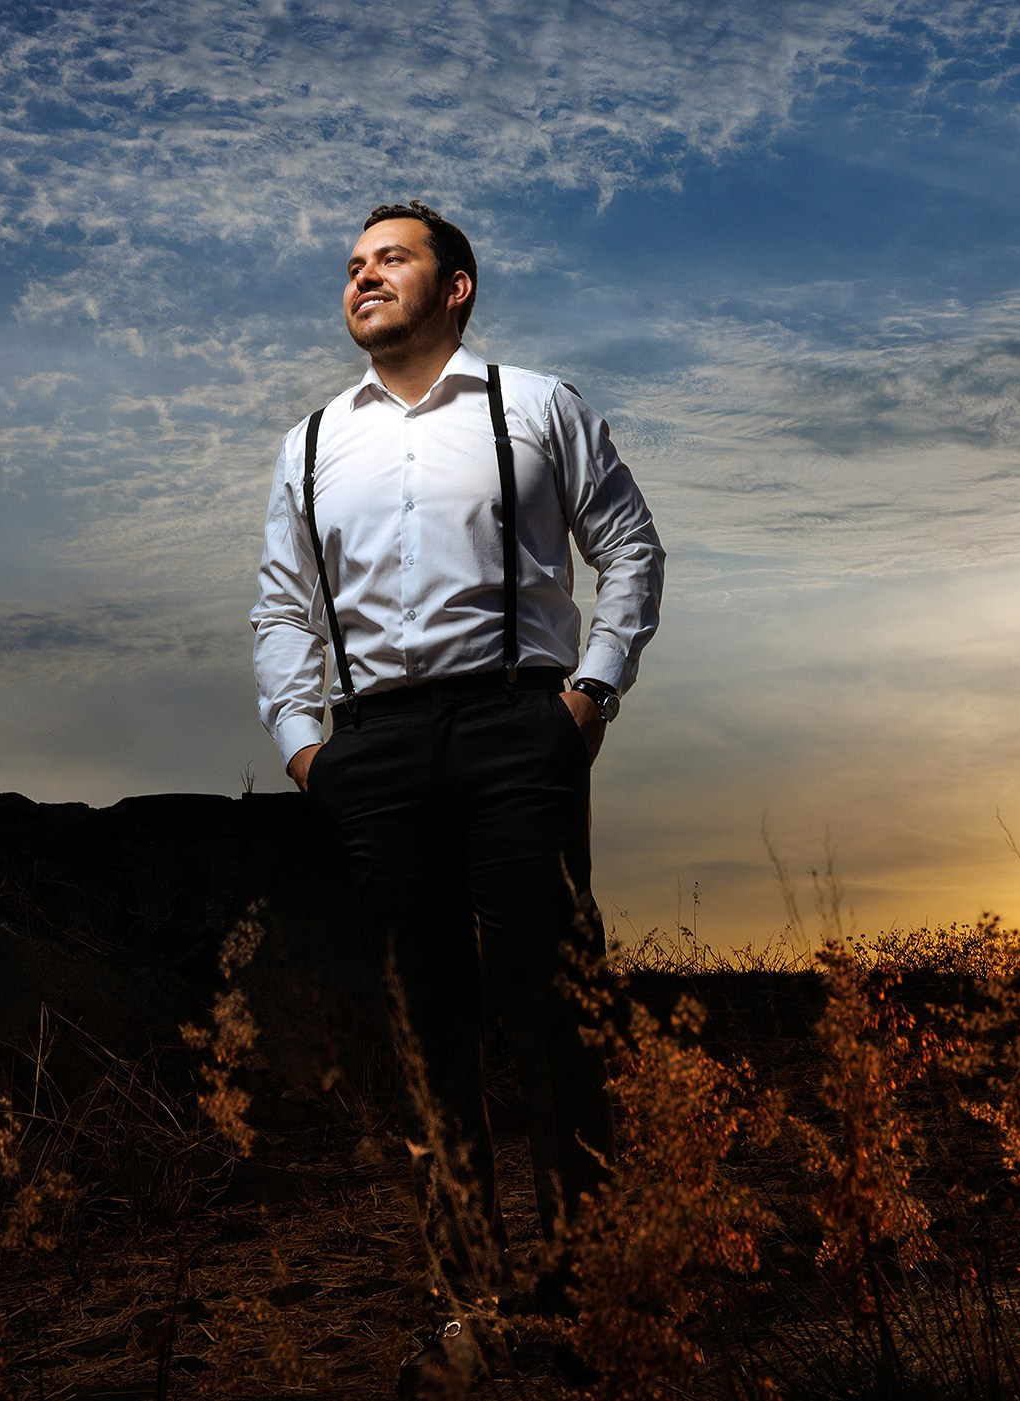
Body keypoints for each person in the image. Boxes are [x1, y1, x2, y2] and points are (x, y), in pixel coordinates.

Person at [250, 200, 663, 1393]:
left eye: (391, 258)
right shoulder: (312, 441)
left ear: (457, 286)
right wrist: (304, 747)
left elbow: (629, 546)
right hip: (371, 747)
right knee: (423, 1029)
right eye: (351, 266)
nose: (362, 278)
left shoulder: (534, 406)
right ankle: (466, 1299)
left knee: (551, 1001)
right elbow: (282, 605)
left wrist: (588, 696)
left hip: (515, 725)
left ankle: (593, 1289)